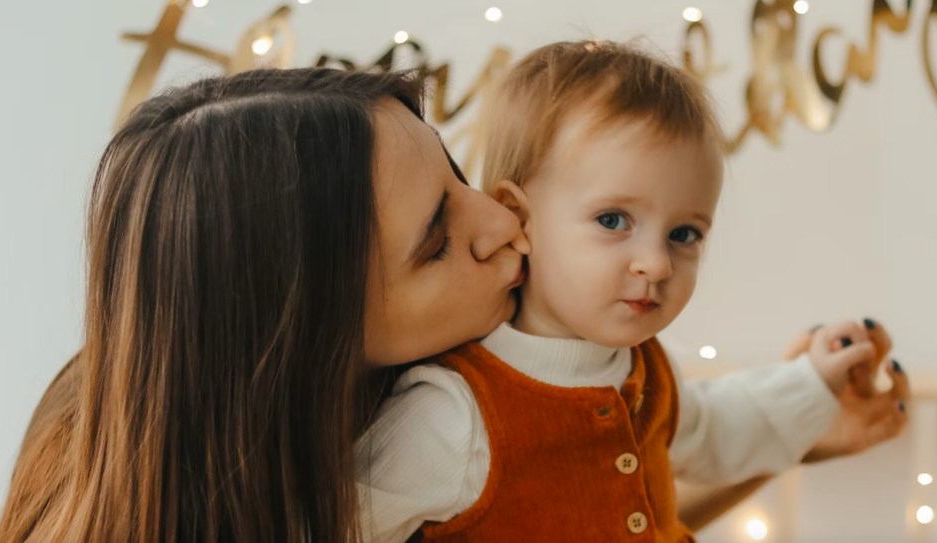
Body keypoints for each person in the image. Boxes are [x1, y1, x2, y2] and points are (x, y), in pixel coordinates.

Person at [0, 66, 908, 543]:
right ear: (307, 339)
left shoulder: (575, 356)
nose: (503, 216)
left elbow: (617, 477)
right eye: (437, 237)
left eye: (459, 172)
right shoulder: (420, 437)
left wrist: (805, 413)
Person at [355, 41, 908, 543]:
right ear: (520, 217)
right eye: (614, 220)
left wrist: (810, 382)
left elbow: (715, 428)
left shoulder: (645, 368)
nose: (657, 263)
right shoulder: (453, 412)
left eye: (684, 234)